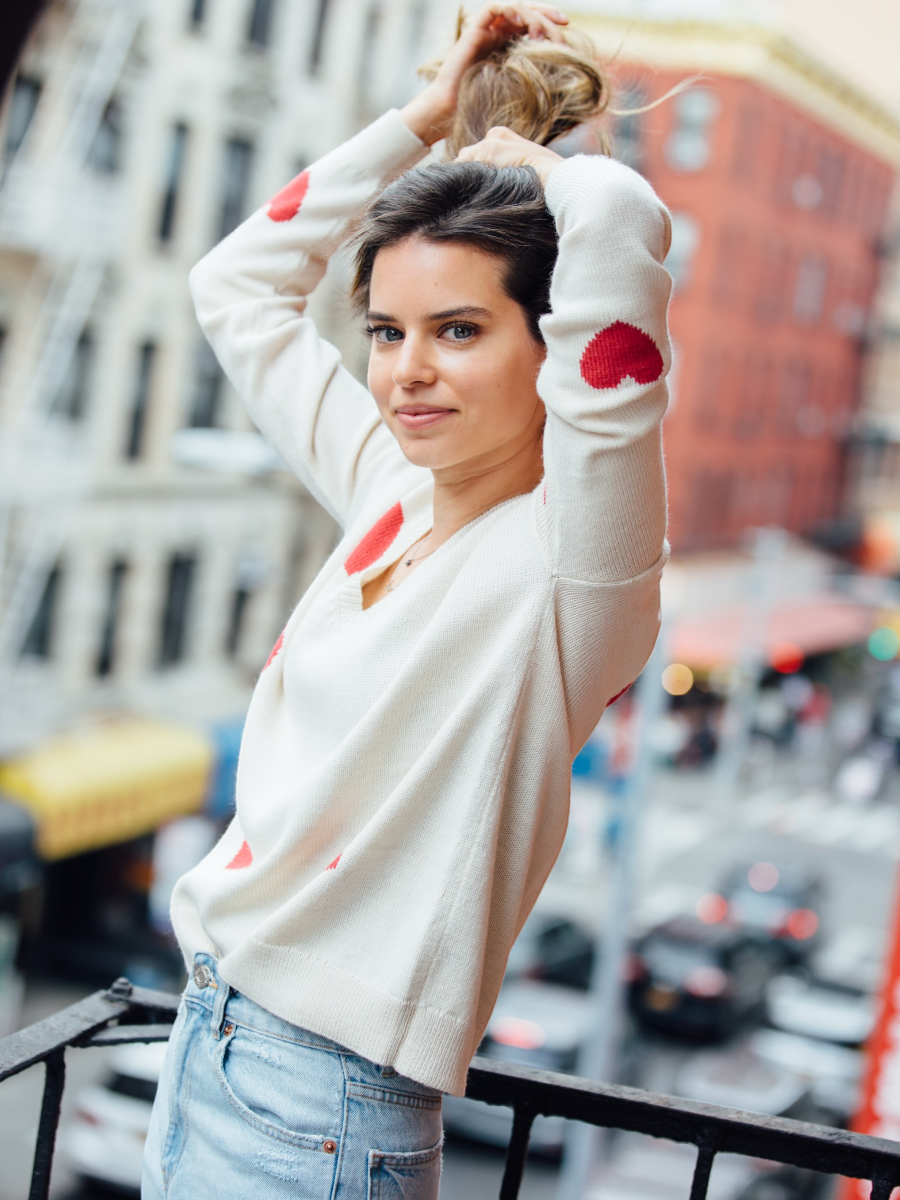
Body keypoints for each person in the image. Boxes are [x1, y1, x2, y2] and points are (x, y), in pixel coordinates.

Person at [142, 4, 672, 1197]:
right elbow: (235, 283)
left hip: (322, 1108)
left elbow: (626, 232)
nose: (406, 370)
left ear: (552, 343)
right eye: (386, 330)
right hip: (211, 1039)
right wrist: (423, 122)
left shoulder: (577, 572)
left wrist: (533, 167)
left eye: (460, 329)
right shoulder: (390, 486)